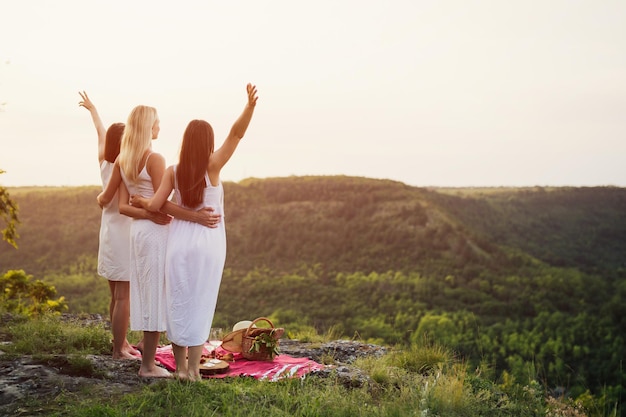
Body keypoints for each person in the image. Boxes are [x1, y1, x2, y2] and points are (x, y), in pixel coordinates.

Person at [131, 83, 258, 381]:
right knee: (200, 303)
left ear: (186, 141)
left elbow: (157, 205)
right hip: (208, 244)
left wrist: (140, 200)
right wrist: (250, 107)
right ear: (208, 142)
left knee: (177, 301)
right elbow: (236, 134)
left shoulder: (174, 170)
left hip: (178, 241)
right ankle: (195, 372)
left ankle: (182, 370)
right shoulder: (212, 165)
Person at [97, 103, 222, 378]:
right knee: (156, 294)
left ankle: (148, 354)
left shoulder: (122, 159)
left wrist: (145, 210)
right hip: (155, 232)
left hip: (138, 232)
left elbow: (123, 207)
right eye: (156, 122)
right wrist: (170, 214)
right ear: (147, 127)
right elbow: (162, 205)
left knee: (145, 293)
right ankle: (148, 365)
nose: (159, 127)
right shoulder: (154, 159)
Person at [79, 91, 170, 360]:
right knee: (123, 297)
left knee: (116, 296)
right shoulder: (137, 160)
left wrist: (94, 110)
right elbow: (124, 200)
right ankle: (120, 348)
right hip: (126, 231)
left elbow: (100, 133)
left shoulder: (111, 160)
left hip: (111, 230)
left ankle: (120, 342)